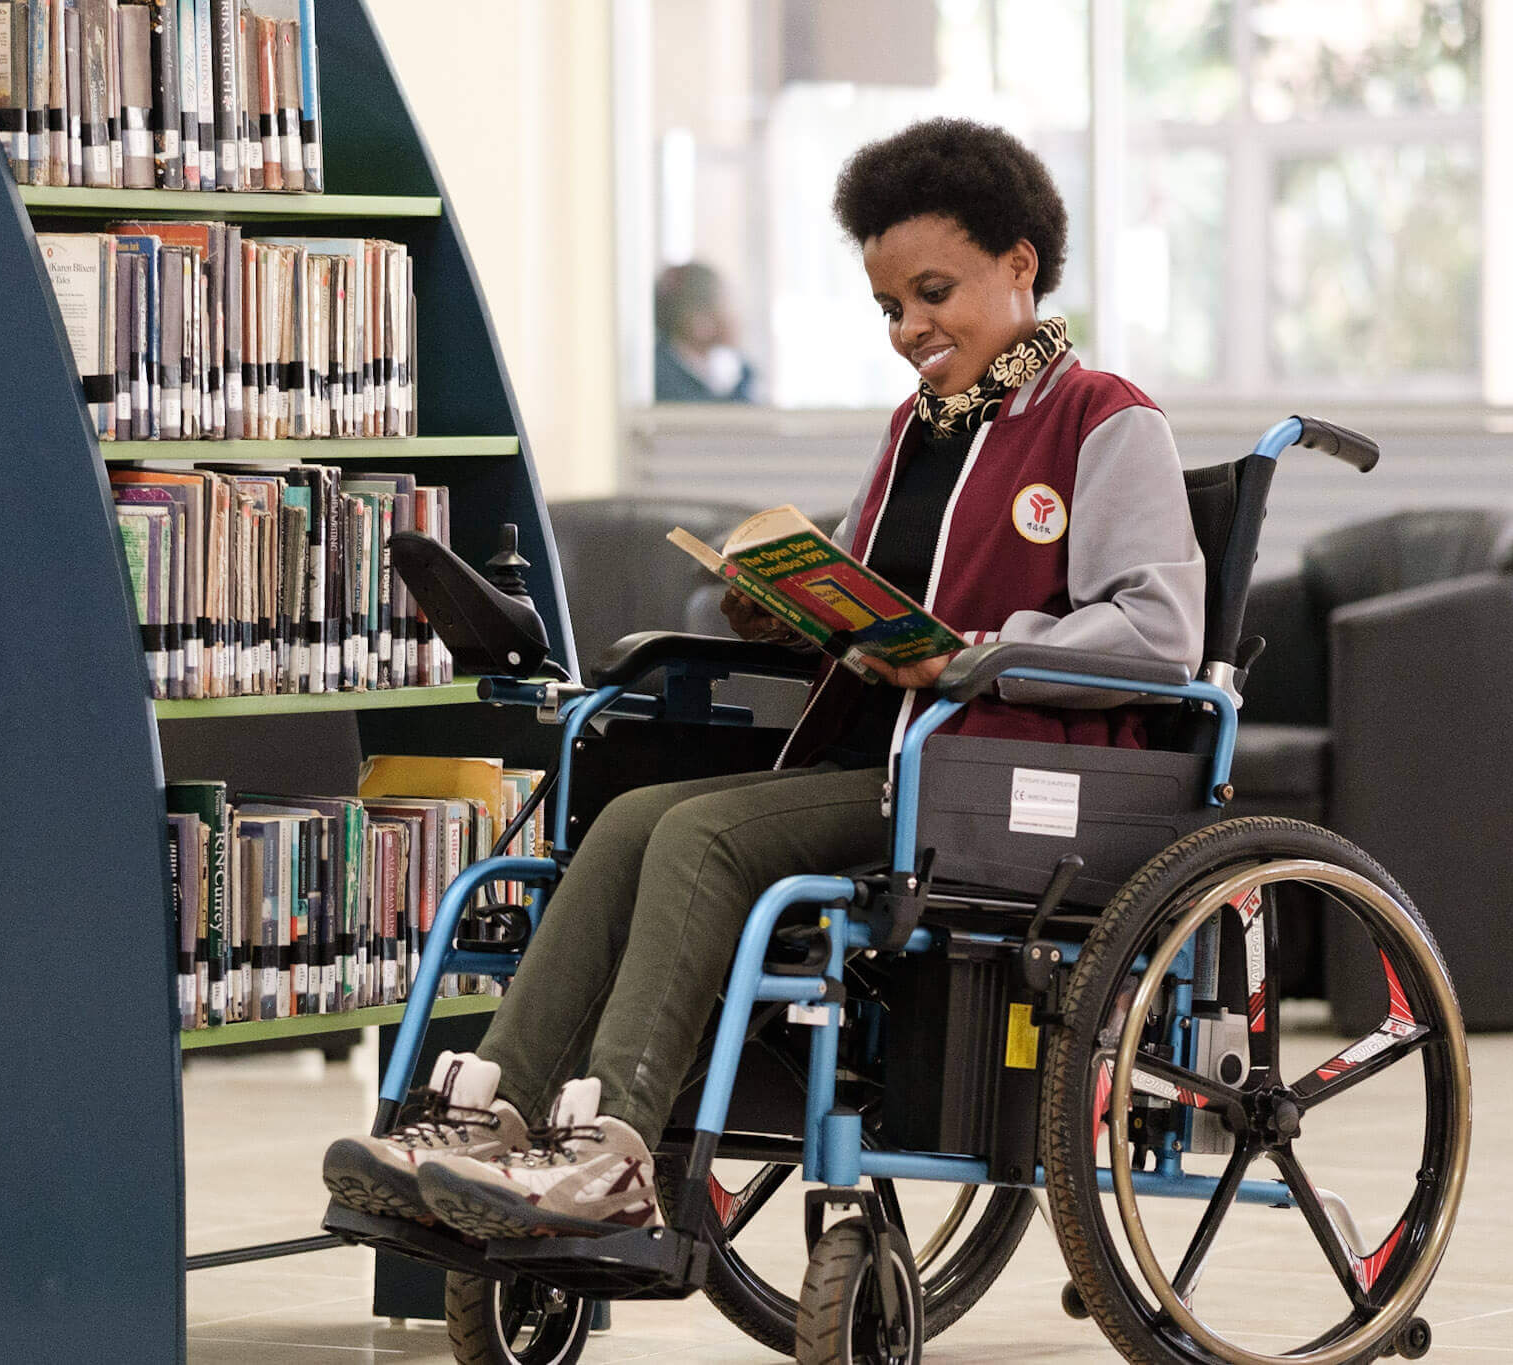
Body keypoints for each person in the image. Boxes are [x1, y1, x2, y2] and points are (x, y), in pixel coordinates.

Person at [321, 118, 1205, 1238]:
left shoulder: (1103, 421)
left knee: (698, 838)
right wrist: (784, 611)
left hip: (1000, 785)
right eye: (890, 306)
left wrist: (968, 655)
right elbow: (873, 605)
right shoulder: (918, 431)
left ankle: (612, 1148)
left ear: (1019, 264)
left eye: (932, 293)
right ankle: (483, 1117)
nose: (909, 328)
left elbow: (1157, 631)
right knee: (628, 819)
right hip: (886, 768)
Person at [654, 261, 757, 403]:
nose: (737, 316)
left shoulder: (739, 373)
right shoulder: (661, 380)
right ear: (699, 321)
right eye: (727, 304)